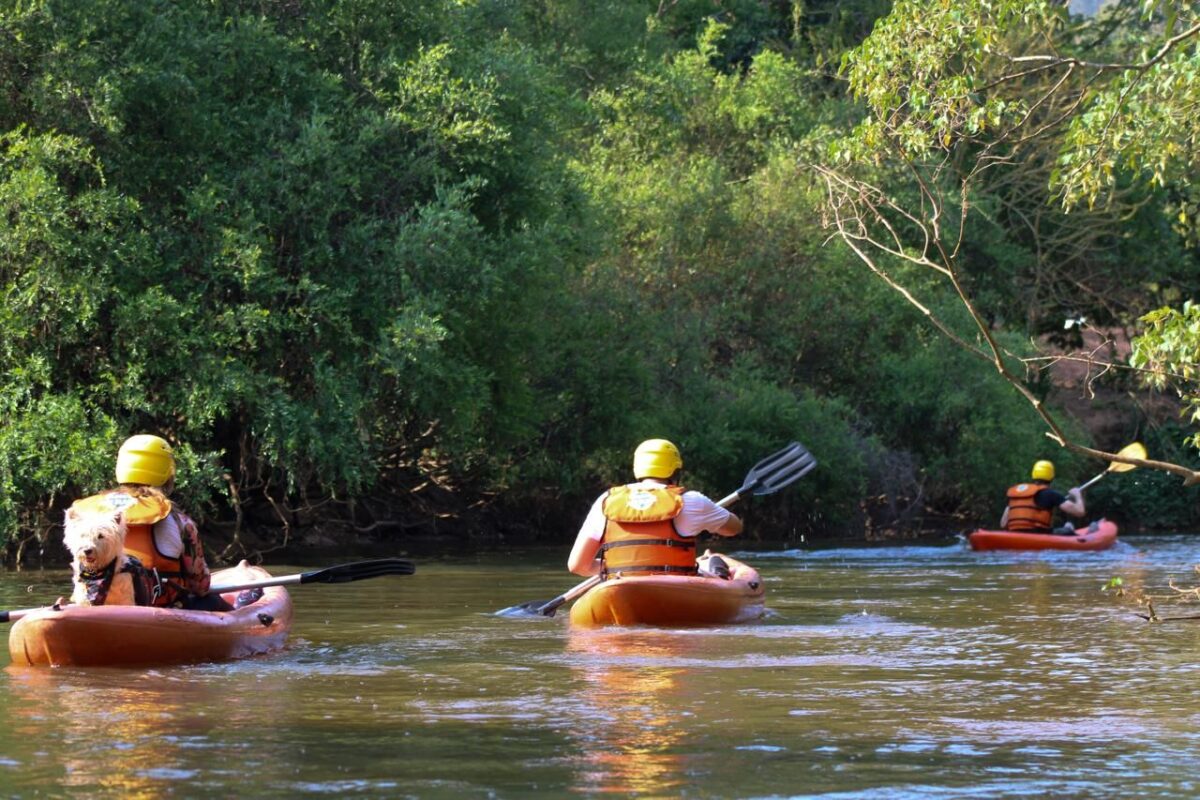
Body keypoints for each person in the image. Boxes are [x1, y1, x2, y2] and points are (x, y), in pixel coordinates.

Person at [68, 434, 234, 611]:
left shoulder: (87, 514)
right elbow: (200, 585)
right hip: (160, 610)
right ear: (167, 473)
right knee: (211, 601)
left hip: (96, 604)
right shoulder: (180, 522)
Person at [567, 439, 743, 578]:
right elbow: (733, 529)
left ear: (638, 469)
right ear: (676, 471)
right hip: (679, 589)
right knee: (715, 563)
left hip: (622, 584)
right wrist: (711, 514)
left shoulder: (606, 500)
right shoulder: (693, 501)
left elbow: (577, 565)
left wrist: (615, 566)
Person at [1000, 459, 1086, 534]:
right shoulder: (1051, 494)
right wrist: (1077, 495)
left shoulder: (1016, 494)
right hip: (1038, 535)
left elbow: (1003, 523)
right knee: (1068, 526)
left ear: (1034, 475)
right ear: (1051, 477)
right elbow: (1080, 512)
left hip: (1014, 534)